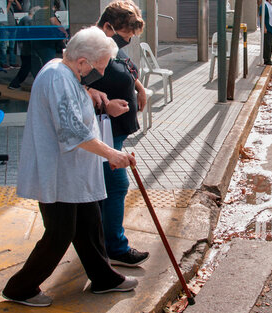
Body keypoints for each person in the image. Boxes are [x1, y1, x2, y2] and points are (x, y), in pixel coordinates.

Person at [1, 26, 138, 308]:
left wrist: (97, 99)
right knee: (60, 233)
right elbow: (73, 131)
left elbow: (73, 108)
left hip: (72, 173)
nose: (99, 72)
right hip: (58, 173)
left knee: (89, 223)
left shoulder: (65, 72)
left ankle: (104, 278)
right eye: (98, 67)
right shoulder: (56, 77)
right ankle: (20, 288)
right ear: (82, 61)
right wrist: (111, 154)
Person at [87, 0, 149, 268]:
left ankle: (103, 243)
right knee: (115, 186)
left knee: (108, 187)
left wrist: (139, 87)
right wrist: (103, 102)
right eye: (125, 37)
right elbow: (73, 82)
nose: (127, 42)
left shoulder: (110, 45)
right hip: (103, 129)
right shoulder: (90, 46)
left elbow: (121, 64)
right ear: (108, 26)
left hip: (116, 130)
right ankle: (115, 247)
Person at [8, 6, 38, 90]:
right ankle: (14, 83)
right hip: (25, 48)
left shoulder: (25, 19)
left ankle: (15, 83)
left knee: (29, 66)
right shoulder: (28, 20)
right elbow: (29, 34)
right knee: (26, 67)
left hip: (24, 47)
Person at [0, 0, 22, 69]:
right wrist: (9, 3)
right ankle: (3, 62)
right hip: (4, 25)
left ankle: (13, 62)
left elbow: (20, 8)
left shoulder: (11, 2)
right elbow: (4, 13)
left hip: (13, 25)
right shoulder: (1, 3)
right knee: (4, 46)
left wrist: (15, 1)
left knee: (12, 46)